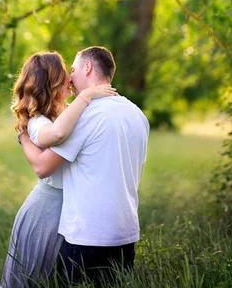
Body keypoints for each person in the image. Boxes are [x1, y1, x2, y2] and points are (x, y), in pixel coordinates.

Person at [20, 46, 150, 287]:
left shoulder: (85, 116)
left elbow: (43, 166)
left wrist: (23, 137)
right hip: (126, 233)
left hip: (88, 235)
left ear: (87, 67)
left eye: (72, 69)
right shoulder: (138, 114)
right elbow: (137, 174)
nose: (69, 78)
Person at [0, 51, 117, 288]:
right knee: (31, 280)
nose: (71, 79)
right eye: (65, 74)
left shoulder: (66, 115)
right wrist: (87, 96)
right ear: (51, 82)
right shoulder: (38, 122)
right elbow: (54, 138)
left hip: (72, 212)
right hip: (47, 213)